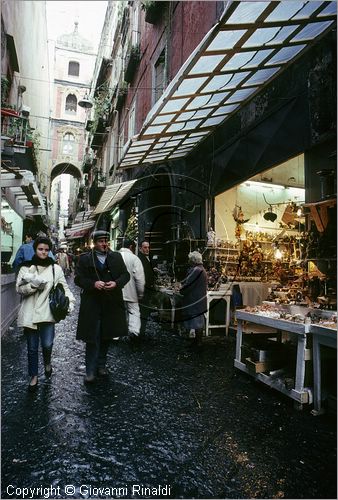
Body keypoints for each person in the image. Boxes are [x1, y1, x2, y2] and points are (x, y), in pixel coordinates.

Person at [16, 236, 75, 392]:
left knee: (47, 344)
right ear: (35, 249)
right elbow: (19, 289)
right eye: (40, 249)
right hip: (30, 313)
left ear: (50, 251)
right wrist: (34, 286)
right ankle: (34, 376)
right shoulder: (26, 267)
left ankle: (47, 362)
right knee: (32, 348)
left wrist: (70, 303)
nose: (43, 252)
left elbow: (65, 289)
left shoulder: (56, 269)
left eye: (46, 250)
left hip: (48, 314)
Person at [74, 230, 130, 384]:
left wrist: (116, 283)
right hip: (92, 304)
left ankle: (101, 365)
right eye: (101, 241)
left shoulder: (116, 257)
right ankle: (90, 371)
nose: (104, 244)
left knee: (106, 335)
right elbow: (78, 279)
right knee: (92, 337)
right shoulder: (85, 259)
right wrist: (93, 284)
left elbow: (126, 275)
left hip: (111, 303)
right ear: (94, 243)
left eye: (106, 241)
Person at [119, 238, 145, 342]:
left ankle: (115, 335)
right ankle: (134, 333)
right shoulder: (135, 259)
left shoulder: (113, 256)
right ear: (131, 247)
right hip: (131, 292)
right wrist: (140, 293)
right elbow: (139, 279)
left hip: (115, 291)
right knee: (134, 312)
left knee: (117, 312)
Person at [180, 251, 208, 347]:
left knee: (197, 322)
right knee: (198, 321)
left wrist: (181, 290)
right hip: (198, 300)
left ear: (193, 260)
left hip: (195, 300)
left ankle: (198, 342)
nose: (188, 261)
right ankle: (197, 341)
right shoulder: (201, 269)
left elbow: (189, 284)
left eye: (189, 259)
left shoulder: (196, 270)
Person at [138, 240, 156, 337]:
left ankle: (141, 332)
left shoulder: (147, 258)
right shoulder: (140, 259)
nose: (147, 249)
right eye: (145, 247)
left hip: (147, 290)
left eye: (148, 247)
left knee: (144, 313)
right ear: (140, 248)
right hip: (144, 290)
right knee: (143, 313)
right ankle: (140, 334)